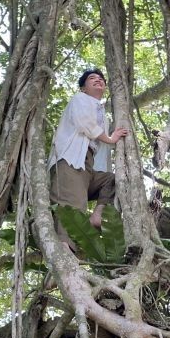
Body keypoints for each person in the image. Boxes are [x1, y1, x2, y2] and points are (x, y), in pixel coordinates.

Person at [48, 69, 129, 250]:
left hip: (88, 166)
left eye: (101, 79)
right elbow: (83, 122)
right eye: (92, 78)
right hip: (70, 160)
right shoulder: (80, 99)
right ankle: (65, 250)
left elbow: (99, 148)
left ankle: (97, 215)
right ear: (83, 88)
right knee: (72, 207)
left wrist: (109, 138)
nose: (98, 80)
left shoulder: (101, 114)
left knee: (113, 180)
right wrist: (110, 138)